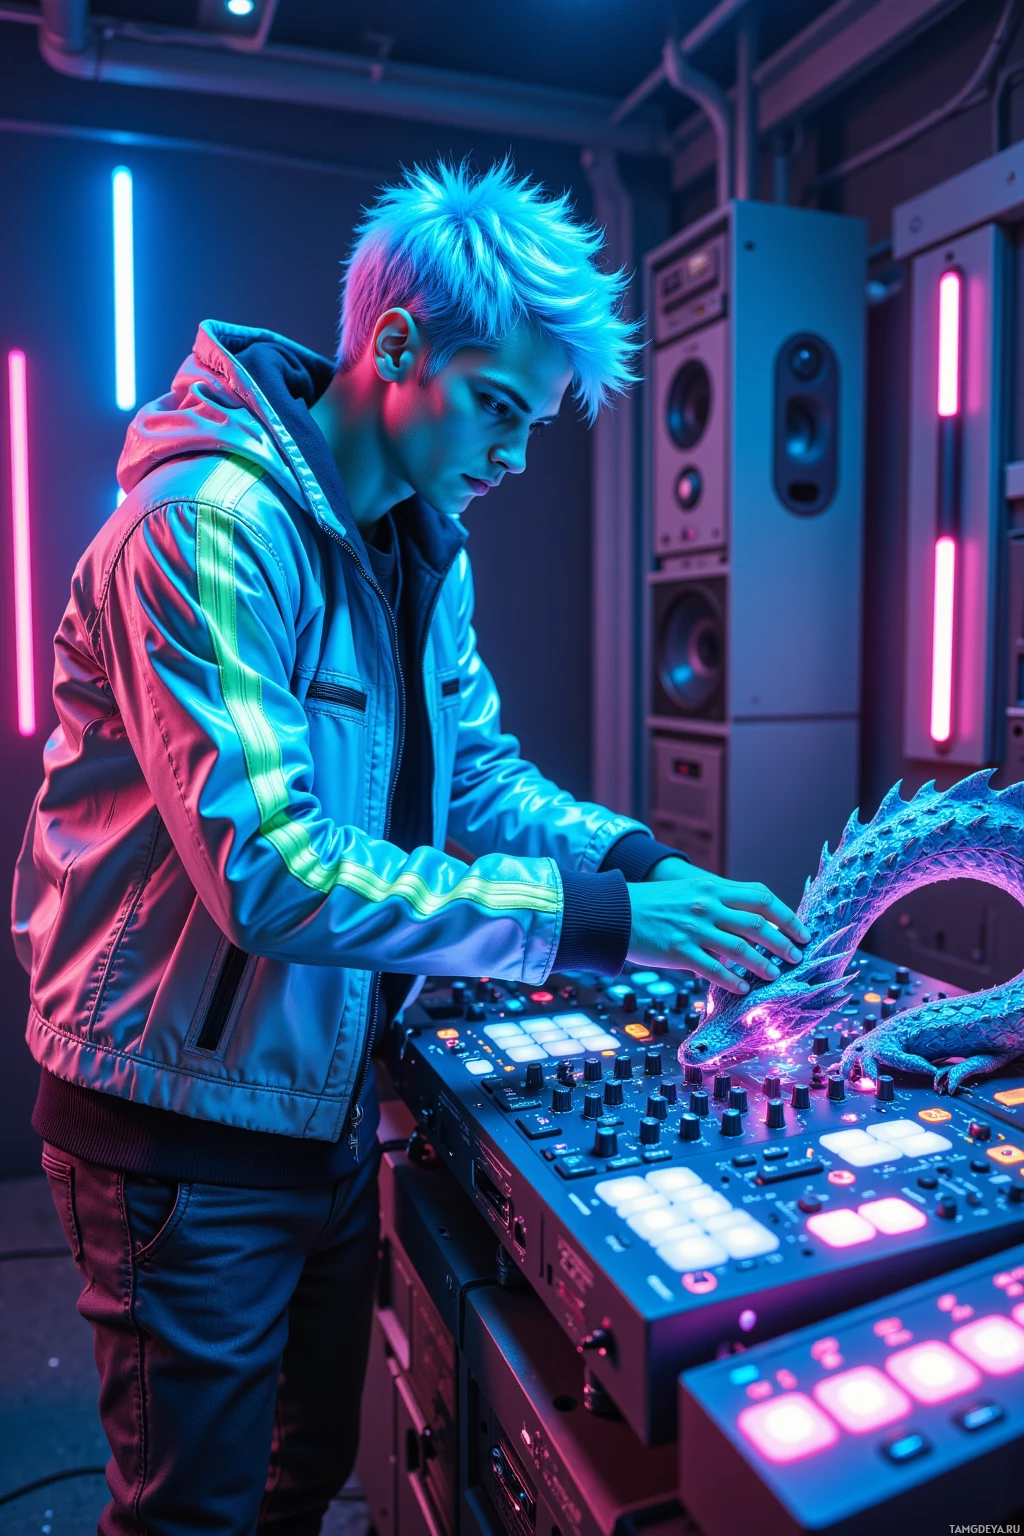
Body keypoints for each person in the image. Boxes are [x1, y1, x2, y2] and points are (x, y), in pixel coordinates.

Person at [11, 158, 808, 1534]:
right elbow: (274, 867)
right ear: (393, 348)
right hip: (174, 1127)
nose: (512, 453)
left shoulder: (424, 548)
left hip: (321, 1101)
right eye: (499, 406)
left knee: (302, 1477)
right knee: (189, 1517)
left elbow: (481, 777)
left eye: (532, 424)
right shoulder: (210, 528)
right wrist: (590, 924)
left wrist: (638, 864)